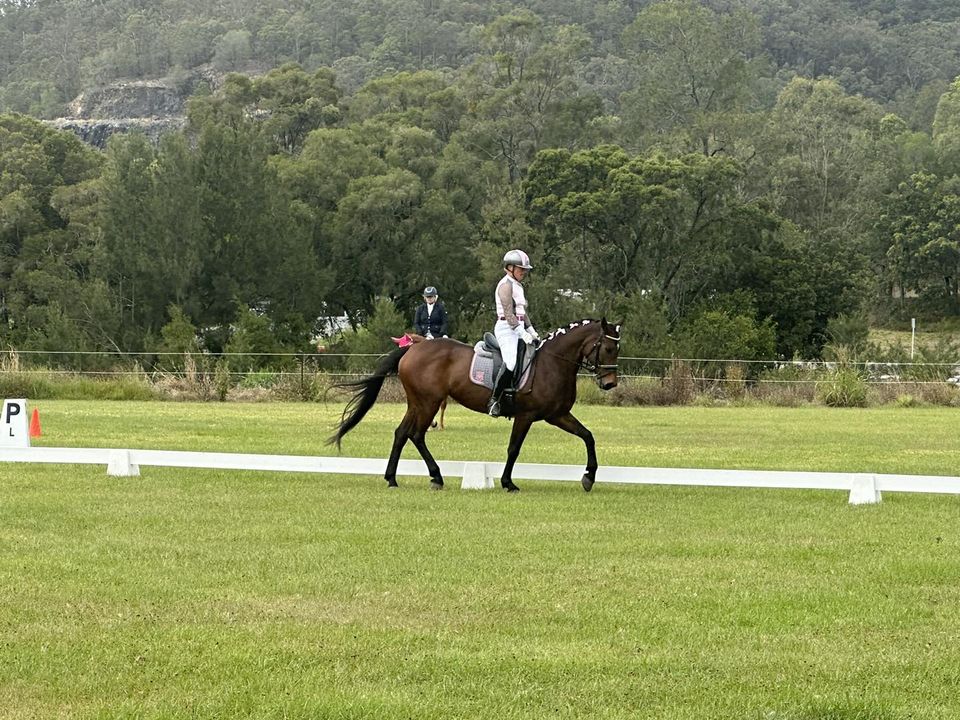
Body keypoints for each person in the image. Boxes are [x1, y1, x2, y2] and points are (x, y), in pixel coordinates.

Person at [488, 249, 539, 416]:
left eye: (524, 269)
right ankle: (494, 400)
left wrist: (531, 330)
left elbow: (522, 313)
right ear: (509, 267)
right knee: (510, 363)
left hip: (519, 327)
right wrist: (521, 332)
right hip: (506, 329)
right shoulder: (505, 285)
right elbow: (509, 314)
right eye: (520, 268)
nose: (523, 272)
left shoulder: (518, 286)